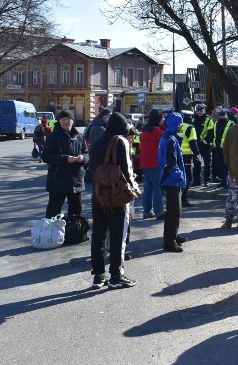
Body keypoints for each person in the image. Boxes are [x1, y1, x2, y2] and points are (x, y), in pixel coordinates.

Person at [88, 112, 136, 289]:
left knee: (99, 235)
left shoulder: (97, 142)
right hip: (116, 195)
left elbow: (92, 167)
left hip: (98, 193)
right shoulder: (121, 142)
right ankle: (116, 275)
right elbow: (127, 170)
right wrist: (132, 188)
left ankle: (98, 276)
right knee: (118, 235)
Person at [41, 110, 89, 219]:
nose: (65, 121)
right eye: (63, 119)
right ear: (59, 121)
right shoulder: (52, 137)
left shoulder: (79, 136)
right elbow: (46, 156)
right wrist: (65, 159)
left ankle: (75, 235)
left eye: (68, 119)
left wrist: (83, 157)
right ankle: (51, 235)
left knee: (76, 213)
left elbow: (87, 153)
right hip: (57, 181)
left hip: (76, 181)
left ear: (72, 121)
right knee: (53, 213)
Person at [159, 112, 188, 252]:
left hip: (171, 180)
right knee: (173, 213)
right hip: (172, 181)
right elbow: (171, 164)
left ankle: (173, 236)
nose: (182, 125)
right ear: (175, 124)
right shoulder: (170, 139)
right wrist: (179, 177)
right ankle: (169, 242)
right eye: (181, 122)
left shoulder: (170, 137)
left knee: (175, 211)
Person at [139, 109, 165, 219]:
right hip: (155, 162)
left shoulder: (145, 129)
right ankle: (159, 211)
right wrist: (164, 125)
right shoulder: (156, 130)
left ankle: (147, 211)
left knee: (148, 188)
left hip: (145, 162)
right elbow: (164, 137)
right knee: (157, 188)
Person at [177, 111, 200, 208]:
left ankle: (178, 197)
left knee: (179, 177)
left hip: (177, 154)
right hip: (186, 156)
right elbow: (193, 143)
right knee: (188, 177)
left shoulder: (178, 126)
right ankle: (183, 199)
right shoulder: (190, 127)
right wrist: (197, 154)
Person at [210, 107, 234, 188]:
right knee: (220, 164)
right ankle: (223, 181)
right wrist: (213, 143)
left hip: (227, 147)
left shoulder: (231, 123)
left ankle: (226, 182)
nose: (222, 117)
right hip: (217, 147)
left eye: (223, 115)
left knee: (226, 165)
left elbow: (233, 137)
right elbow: (215, 135)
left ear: (227, 115)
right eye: (220, 115)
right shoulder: (217, 123)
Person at [193, 104, 212, 186]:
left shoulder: (208, 120)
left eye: (201, 111)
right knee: (196, 163)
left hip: (205, 144)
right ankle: (196, 181)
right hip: (196, 144)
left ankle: (206, 180)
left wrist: (206, 140)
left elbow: (211, 132)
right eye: (198, 111)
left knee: (207, 163)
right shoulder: (193, 119)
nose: (199, 112)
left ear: (204, 110)